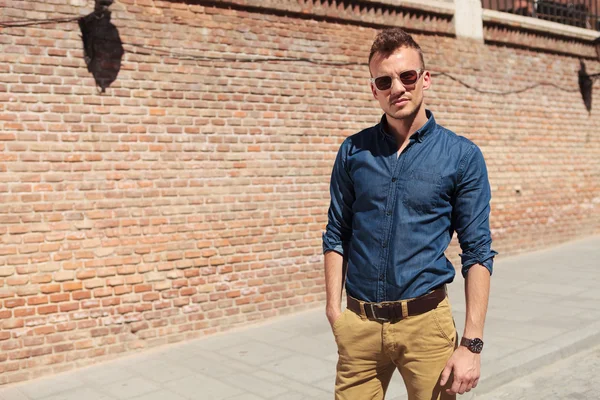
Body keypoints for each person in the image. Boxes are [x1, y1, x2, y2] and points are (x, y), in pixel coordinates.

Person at [323, 27, 497, 400]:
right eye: (384, 81)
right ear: (374, 90)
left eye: (407, 76)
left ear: (425, 79)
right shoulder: (354, 152)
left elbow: (478, 252)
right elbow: (336, 232)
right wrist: (334, 312)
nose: (396, 88)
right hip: (359, 327)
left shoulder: (461, 157)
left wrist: (472, 343)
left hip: (426, 325)